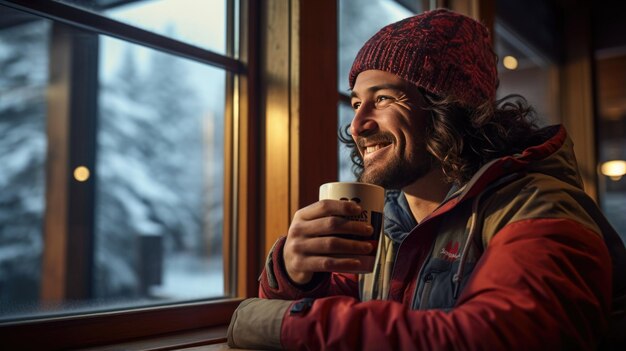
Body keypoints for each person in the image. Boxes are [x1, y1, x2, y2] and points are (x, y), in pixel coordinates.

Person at [227, 8, 626, 350]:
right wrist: (295, 274)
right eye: (355, 103)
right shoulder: (385, 222)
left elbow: (490, 339)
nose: (357, 125)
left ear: (448, 108)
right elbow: (339, 309)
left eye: (383, 98)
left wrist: (275, 320)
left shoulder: (541, 208)